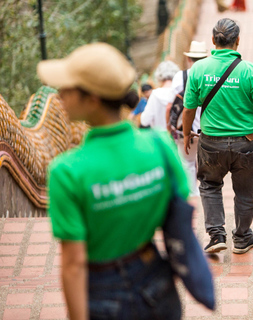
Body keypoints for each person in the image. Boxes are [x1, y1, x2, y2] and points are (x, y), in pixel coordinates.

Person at [39, 43, 189, 319]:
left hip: (102, 291)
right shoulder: (159, 145)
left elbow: (73, 264)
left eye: (66, 89)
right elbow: (181, 208)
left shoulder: (67, 171)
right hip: (157, 281)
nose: (59, 96)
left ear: (92, 99)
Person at [182, 18, 253, 254]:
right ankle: (242, 237)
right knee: (245, 192)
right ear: (237, 41)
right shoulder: (249, 70)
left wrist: (186, 134)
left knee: (209, 185)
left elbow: (189, 109)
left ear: (213, 41)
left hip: (211, 143)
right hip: (245, 144)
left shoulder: (198, 69)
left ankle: (217, 235)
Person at [167, 41, 208, 197]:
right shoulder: (210, 76)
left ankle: (192, 193)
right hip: (207, 128)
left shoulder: (180, 77)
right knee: (207, 164)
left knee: (188, 163)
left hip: (187, 129)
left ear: (190, 59)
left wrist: (169, 126)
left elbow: (172, 104)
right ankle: (207, 191)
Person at [140, 60, 179, 129]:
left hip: (160, 137)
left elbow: (145, 121)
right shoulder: (180, 93)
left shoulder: (155, 94)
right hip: (177, 137)